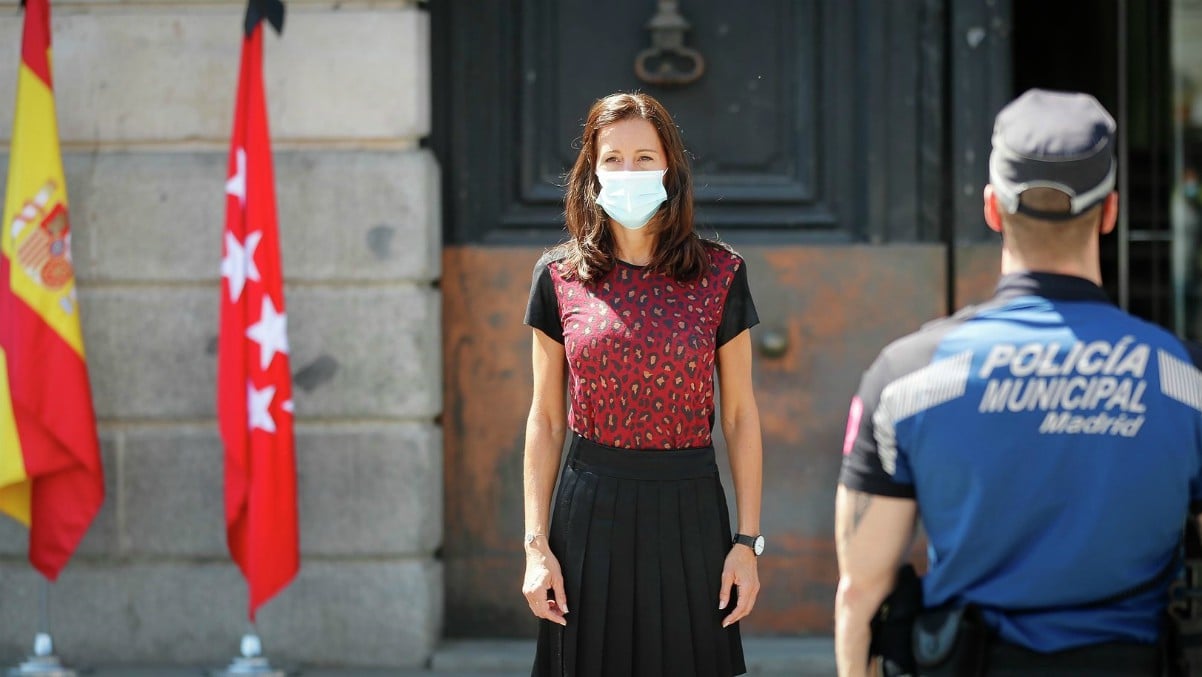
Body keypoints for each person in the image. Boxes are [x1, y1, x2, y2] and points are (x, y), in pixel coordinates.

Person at [834, 88, 1202, 676]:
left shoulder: (907, 377)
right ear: (1110, 212)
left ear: (991, 208)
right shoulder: (1184, 381)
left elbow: (860, 590)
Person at [521, 91, 765, 677]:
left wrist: (747, 543)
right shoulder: (558, 276)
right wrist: (535, 547)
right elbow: (546, 418)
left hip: (689, 511)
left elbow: (739, 417)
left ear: (670, 170)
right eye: (613, 159)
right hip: (588, 511)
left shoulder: (721, 273)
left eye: (644, 158)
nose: (628, 172)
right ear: (592, 172)